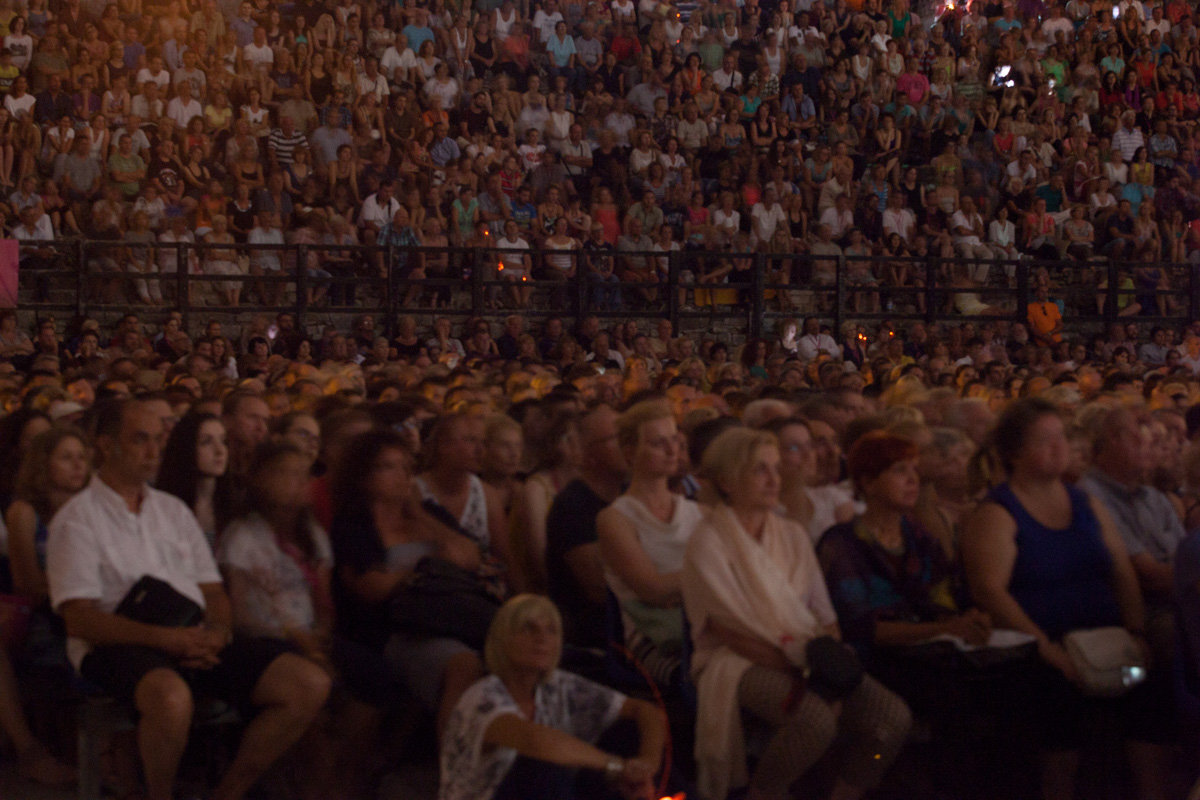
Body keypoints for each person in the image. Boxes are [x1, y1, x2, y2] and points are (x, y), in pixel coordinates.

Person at [46, 399, 331, 800]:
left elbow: (212, 590)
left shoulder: (172, 511)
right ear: (108, 447)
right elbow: (80, 619)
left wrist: (217, 632)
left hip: (190, 632)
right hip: (117, 642)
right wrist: (167, 640)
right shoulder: (78, 519)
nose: (153, 451)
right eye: (140, 440)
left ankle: (229, 792)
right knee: (171, 698)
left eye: (157, 440)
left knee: (307, 683)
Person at [683, 427, 911, 800]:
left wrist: (829, 665)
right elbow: (728, 631)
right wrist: (803, 672)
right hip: (738, 659)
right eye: (759, 470)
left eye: (776, 468)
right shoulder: (708, 542)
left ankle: (845, 792)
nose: (774, 479)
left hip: (806, 650)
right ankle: (765, 792)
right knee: (814, 721)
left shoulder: (791, 534)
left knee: (890, 719)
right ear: (726, 480)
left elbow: (824, 615)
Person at [961, 398, 1166, 800]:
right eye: (1045, 440)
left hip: (1104, 639)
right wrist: (1048, 649)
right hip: (1038, 647)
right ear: (1016, 453)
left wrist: (1136, 629)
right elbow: (990, 591)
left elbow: (1121, 570)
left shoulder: (1085, 502)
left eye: (1062, 438)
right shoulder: (998, 513)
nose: (1060, 448)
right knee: (1057, 699)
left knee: (1151, 692)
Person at [330, 430, 485, 740]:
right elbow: (370, 587)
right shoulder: (355, 525)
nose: (402, 475)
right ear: (364, 477)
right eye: (389, 467)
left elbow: (469, 557)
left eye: (406, 466)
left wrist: (420, 515)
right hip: (397, 629)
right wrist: (421, 569)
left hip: (452, 617)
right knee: (464, 665)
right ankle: (455, 756)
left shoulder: (429, 514)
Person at [439, 594, 667, 800]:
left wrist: (646, 765)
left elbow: (643, 710)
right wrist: (617, 767)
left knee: (627, 731)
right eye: (528, 629)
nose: (542, 638)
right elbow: (533, 741)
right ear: (503, 639)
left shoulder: (557, 685)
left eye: (551, 630)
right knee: (542, 766)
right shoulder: (482, 696)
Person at [596, 400, 703, 685]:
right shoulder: (615, 519)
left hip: (704, 626)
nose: (671, 450)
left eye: (674, 440)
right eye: (658, 443)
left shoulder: (696, 512)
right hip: (654, 638)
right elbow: (653, 590)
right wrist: (713, 572)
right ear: (630, 453)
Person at [546, 403, 626, 649]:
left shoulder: (630, 493)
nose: (629, 445)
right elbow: (598, 587)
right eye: (616, 438)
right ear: (589, 453)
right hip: (597, 634)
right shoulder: (573, 505)